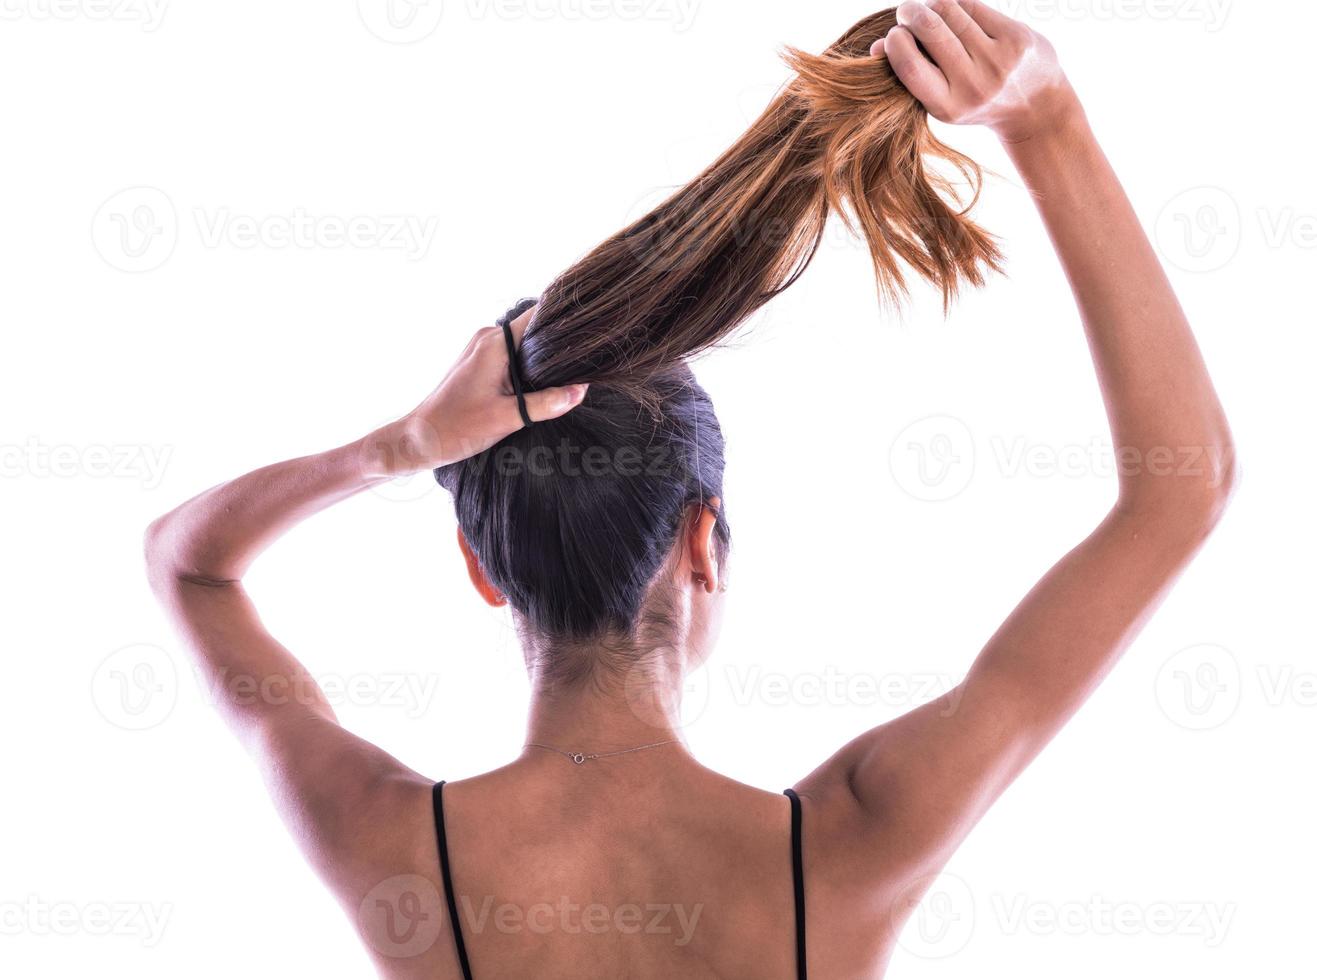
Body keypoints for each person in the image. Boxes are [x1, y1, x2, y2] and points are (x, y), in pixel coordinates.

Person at [144, 3, 1235, 977]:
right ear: (703, 538)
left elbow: (187, 564)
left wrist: (401, 445)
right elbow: (1181, 490)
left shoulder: (392, 845)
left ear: (479, 567)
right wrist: (1050, 126)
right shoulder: (857, 843)